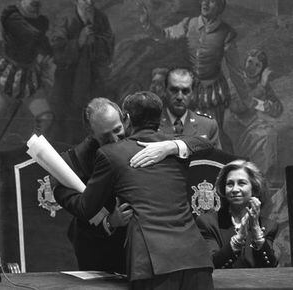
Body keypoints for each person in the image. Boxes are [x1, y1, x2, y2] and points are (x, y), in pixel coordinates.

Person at [55, 92, 214, 289]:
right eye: (106, 136)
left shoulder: (158, 146)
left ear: (125, 118)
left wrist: (171, 146)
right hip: (112, 253)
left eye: (117, 129)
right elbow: (84, 216)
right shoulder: (79, 158)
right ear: (92, 134)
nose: (114, 139)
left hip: (150, 261)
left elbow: (206, 142)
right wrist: (109, 221)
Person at [161, 0, 247, 153]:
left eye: (212, 1)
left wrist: (247, 99)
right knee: (186, 132)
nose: (205, 3)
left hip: (212, 92)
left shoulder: (226, 33)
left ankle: (225, 166)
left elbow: (235, 70)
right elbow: (165, 35)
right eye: (204, 0)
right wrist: (147, 25)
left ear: (220, 7)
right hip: (190, 89)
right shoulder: (189, 24)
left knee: (213, 132)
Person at [0, 0, 54, 146]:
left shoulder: (41, 22)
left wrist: (45, 54)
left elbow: (45, 48)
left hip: (29, 77)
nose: (34, 3)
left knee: (45, 118)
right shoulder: (11, 17)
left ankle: (28, 155)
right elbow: (30, 36)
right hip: (9, 74)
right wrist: (44, 43)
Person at [51, 0, 114, 144]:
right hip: (67, 85)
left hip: (93, 83)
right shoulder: (64, 18)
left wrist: (96, 42)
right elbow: (57, 53)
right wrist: (79, 41)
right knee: (66, 128)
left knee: (92, 124)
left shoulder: (101, 18)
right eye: (85, 0)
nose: (89, 3)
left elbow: (109, 47)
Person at [196, 160, 278, 268]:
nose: (235, 189)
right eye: (230, 184)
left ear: (254, 188)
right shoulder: (208, 223)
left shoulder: (268, 226)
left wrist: (257, 234)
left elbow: (270, 266)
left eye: (241, 183)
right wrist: (238, 240)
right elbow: (212, 264)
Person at [226, 49, 283, 180]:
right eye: (250, 62)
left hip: (254, 124)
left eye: (257, 65)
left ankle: (265, 178)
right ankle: (254, 178)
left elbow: (278, 109)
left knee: (270, 133)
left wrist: (270, 107)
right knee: (262, 136)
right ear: (245, 62)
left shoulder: (262, 84)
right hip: (236, 126)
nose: (252, 67)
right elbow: (238, 107)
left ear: (262, 69)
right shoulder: (235, 81)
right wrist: (261, 87)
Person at [158, 67, 222, 149]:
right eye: (174, 90)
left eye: (185, 91)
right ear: (165, 91)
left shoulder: (207, 126)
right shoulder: (151, 124)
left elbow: (216, 160)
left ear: (192, 94)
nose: (179, 97)